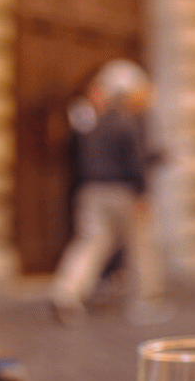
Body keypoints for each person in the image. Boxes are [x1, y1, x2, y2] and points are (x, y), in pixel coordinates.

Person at [50, 59, 169, 325]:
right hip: (123, 191)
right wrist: (142, 194)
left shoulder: (92, 122)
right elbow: (135, 161)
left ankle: (66, 292)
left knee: (90, 243)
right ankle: (147, 301)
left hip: (91, 191)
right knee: (142, 247)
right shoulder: (128, 122)